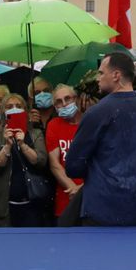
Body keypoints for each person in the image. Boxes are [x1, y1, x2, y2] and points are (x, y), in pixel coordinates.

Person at [64, 53, 136, 226]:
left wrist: (98, 174)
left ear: (116, 75)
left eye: (101, 73)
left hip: (104, 209)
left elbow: (73, 166)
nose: (98, 79)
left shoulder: (96, 113)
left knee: (102, 254)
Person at [0, 93, 49, 227]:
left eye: (19, 106)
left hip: (32, 203)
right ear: (3, 112)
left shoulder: (36, 133)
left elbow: (41, 160)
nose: (14, 109)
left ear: (26, 110)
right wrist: (7, 145)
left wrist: (23, 144)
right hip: (3, 205)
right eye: (9, 106)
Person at [45, 84, 84, 222]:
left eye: (67, 99)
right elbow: (54, 164)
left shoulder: (89, 122)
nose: (64, 104)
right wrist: (73, 188)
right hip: (66, 197)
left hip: (90, 197)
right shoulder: (53, 125)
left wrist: (82, 189)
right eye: (58, 102)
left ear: (76, 99)